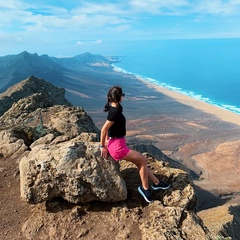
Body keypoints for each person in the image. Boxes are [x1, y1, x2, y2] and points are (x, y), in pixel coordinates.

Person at [100, 86, 170, 203]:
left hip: (116, 144)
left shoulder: (114, 110)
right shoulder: (115, 112)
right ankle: (145, 189)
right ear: (119, 98)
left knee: (140, 163)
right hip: (118, 147)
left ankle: (157, 183)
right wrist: (102, 146)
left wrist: (108, 140)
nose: (123, 96)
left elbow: (108, 129)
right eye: (123, 95)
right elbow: (103, 129)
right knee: (143, 160)